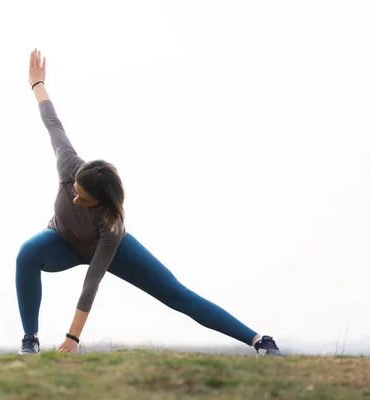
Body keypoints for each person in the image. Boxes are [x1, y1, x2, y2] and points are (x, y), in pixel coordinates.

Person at [16, 48, 283, 356]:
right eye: (74, 191)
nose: (74, 198)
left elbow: (92, 282)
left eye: (83, 198)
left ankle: (260, 341)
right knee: (27, 254)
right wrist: (37, 84)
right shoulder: (68, 165)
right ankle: (29, 340)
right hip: (62, 241)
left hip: (107, 250)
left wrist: (72, 337)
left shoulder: (111, 226)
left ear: (101, 202)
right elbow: (53, 122)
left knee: (175, 293)